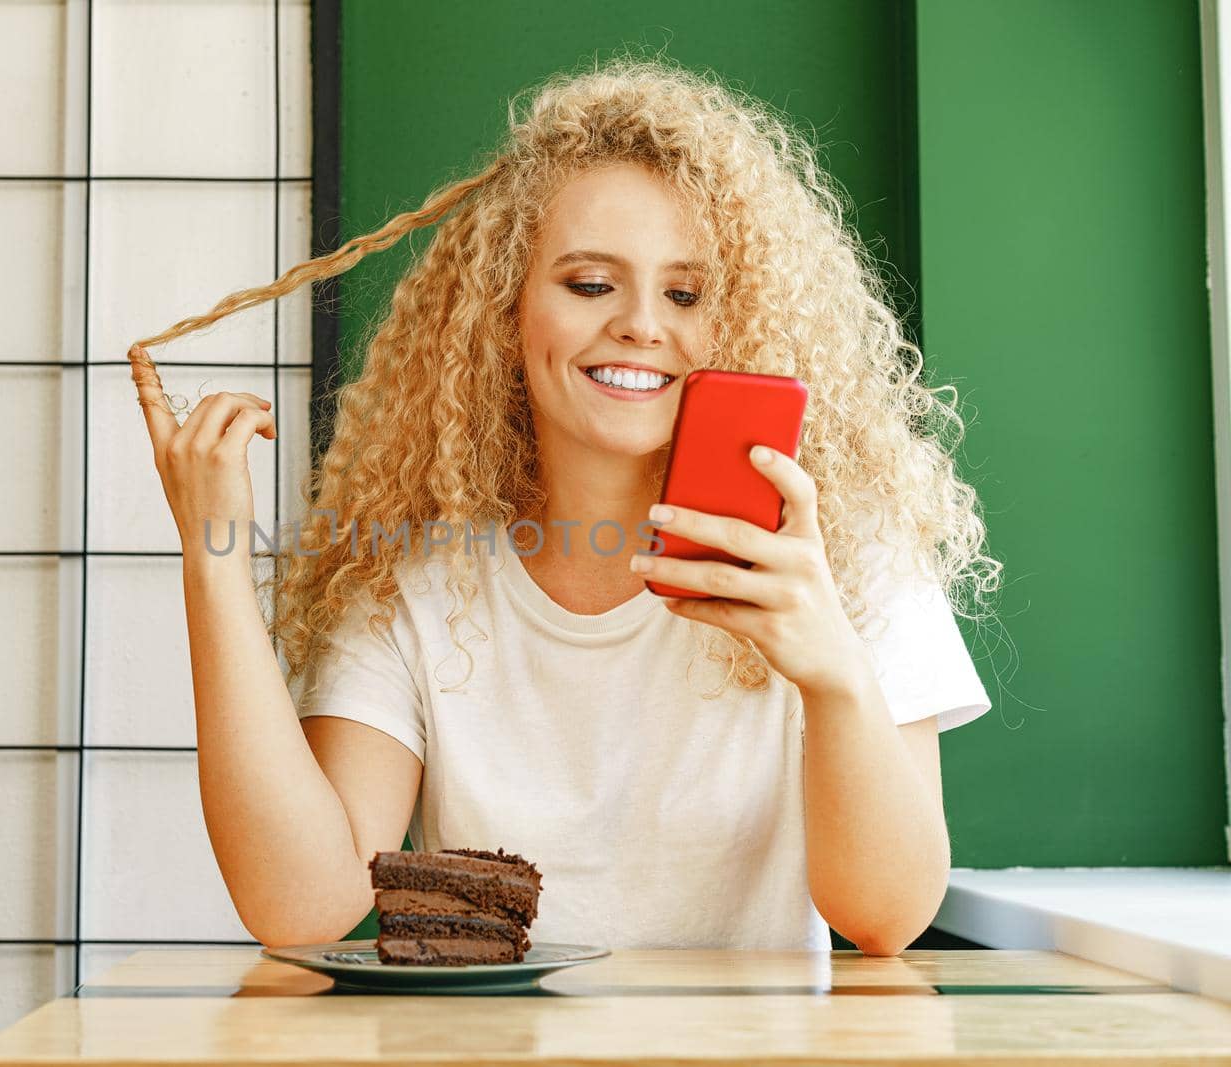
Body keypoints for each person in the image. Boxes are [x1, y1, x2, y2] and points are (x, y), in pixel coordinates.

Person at [125, 54, 1002, 956]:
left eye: (686, 293)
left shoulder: (844, 556)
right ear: (506, 309)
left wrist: (834, 671)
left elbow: (887, 916)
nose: (641, 325)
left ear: (738, 322)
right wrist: (213, 552)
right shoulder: (407, 571)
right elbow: (300, 905)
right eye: (590, 284)